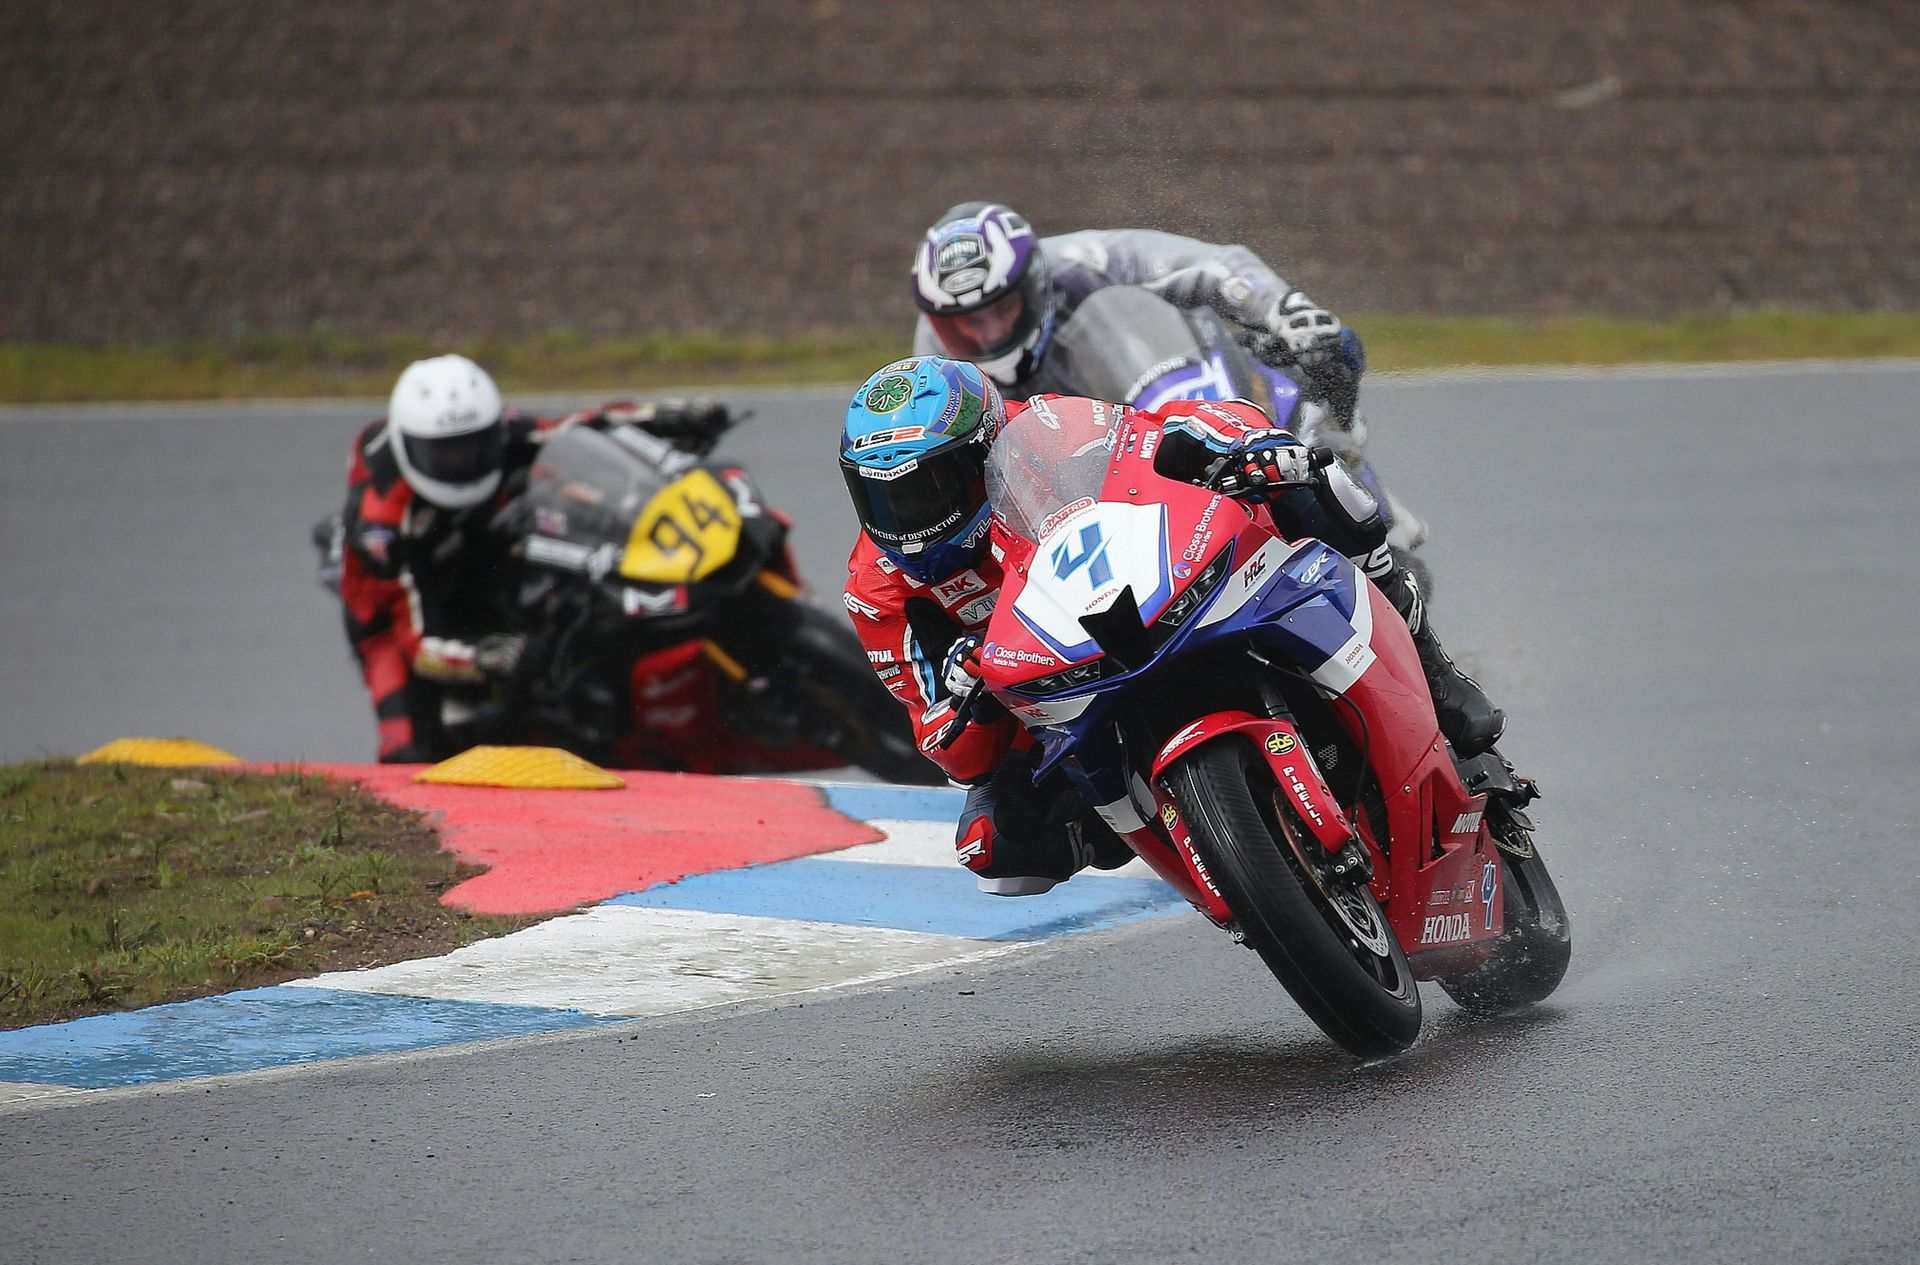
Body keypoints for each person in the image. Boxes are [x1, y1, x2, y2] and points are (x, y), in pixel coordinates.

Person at [839, 354, 1505, 894]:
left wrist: (1241, 446)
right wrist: (962, 692)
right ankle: (1183, 841)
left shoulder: (1039, 431)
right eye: (880, 497)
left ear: (982, 452)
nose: (906, 521)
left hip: (1151, 583)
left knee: (1316, 480)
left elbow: (1159, 434)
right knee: (994, 845)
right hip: (1044, 693)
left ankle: (1433, 666)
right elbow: (944, 744)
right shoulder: (877, 592)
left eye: (924, 490)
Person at [335, 353, 731, 762]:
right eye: (446, 452)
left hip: (477, 546)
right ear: (410, 447)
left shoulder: (500, 427)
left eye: (474, 445)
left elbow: (572, 428)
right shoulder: (381, 526)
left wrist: (663, 416)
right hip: (395, 613)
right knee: (408, 756)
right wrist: (489, 656)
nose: (462, 460)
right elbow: (418, 644)